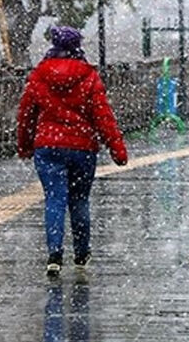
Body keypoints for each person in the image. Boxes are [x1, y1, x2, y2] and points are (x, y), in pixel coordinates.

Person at [17, 26, 128, 275]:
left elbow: (26, 115)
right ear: (78, 46)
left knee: (54, 199)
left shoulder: (39, 75)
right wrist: (117, 149)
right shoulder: (89, 76)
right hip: (82, 148)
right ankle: (81, 252)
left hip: (48, 146)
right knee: (79, 200)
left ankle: (55, 254)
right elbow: (103, 116)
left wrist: (24, 145)